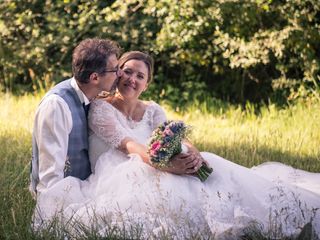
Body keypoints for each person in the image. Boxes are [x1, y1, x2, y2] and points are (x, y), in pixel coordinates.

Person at [33, 51, 320, 239]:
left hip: (156, 162)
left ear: (147, 83)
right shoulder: (102, 108)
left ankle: (281, 215)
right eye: (127, 71)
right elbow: (130, 145)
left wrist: (193, 155)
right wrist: (166, 165)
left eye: (140, 75)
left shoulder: (153, 109)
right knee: (175, 189)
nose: (132, 79)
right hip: (124, 170)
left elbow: (175, 135)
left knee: (211, 164)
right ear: (117, 73)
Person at [30, 38, 121, 195]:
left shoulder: (96, 99)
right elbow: (50, 178)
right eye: (115, 70)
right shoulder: (57, 105)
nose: (120, 74)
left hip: (87, 187)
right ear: (95, 78)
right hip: (64, 195)